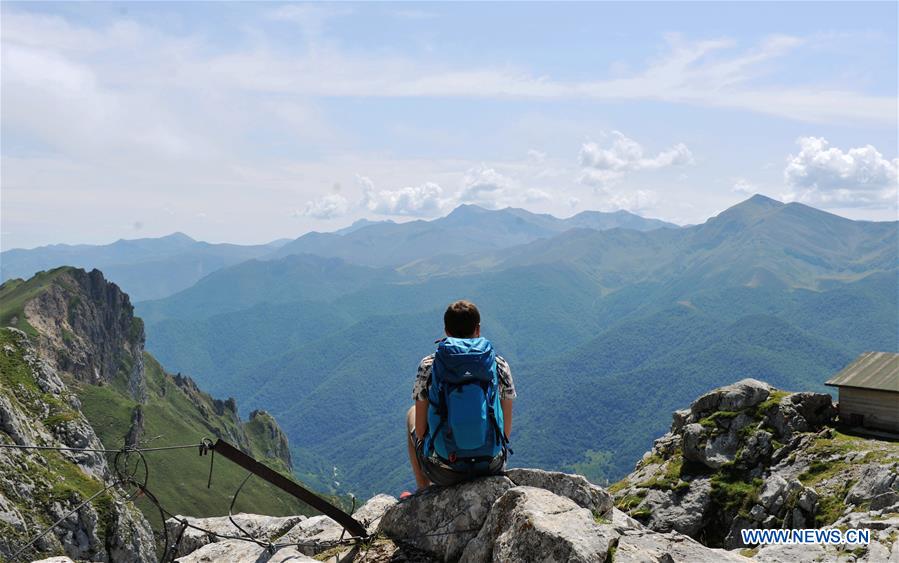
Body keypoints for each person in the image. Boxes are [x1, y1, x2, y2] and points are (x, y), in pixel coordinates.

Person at [405, 300, 516, 493]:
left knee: (411, 414)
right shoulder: (499, 364)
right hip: (490, 466)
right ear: (478, 329)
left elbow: (421, 431)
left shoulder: (429, 364)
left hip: (444, 470)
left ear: (446, 331)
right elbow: (505, 432)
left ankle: (423, 488)